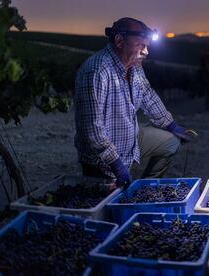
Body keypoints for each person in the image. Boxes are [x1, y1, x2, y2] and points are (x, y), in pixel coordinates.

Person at [74, 17, 193, 188]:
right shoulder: (97, 72)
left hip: (129, 139)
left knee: (171, 143)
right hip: (101, 157)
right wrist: (116, 164)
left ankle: (144, 188)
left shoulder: (134, 67)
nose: (146, 52)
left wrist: (172, 126)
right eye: (141, 46)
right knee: (108, 205)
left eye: (147, 47)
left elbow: (148, 96)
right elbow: (92, 132)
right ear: (120, 41)